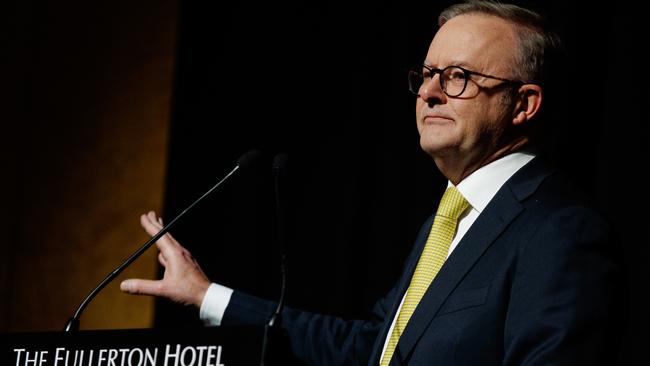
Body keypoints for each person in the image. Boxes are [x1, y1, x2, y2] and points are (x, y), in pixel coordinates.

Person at [121, 1, 621, 365]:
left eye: (457, 77)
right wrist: (209, 295)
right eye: (426, 75)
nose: (428, 93)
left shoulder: (559, 228)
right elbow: (373, 350)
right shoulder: (449, 220)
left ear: (524, 104)